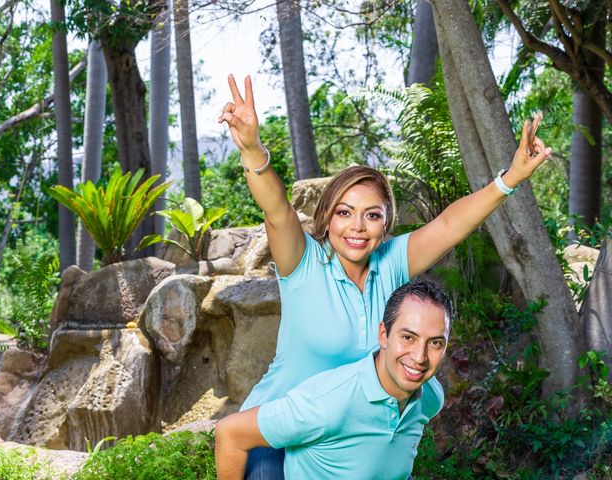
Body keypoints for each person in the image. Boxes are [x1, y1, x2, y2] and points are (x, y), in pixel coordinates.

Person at [218, 74, 550, 478]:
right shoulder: (304, 263)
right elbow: (278, 210)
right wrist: (252, 148)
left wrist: (510, 178)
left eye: (371, 215)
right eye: (344, 212)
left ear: (386, 222)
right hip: (276, 434)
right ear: (327, 219)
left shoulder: (392, 263)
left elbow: (448, 226)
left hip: (347, 436)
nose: (357, 226)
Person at [215, 280, 453, 480]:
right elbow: (230, 432)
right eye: (408, 337)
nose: (419, 357)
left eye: (435, 343)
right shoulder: (328, 403)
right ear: (384, 335)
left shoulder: (430, 396)